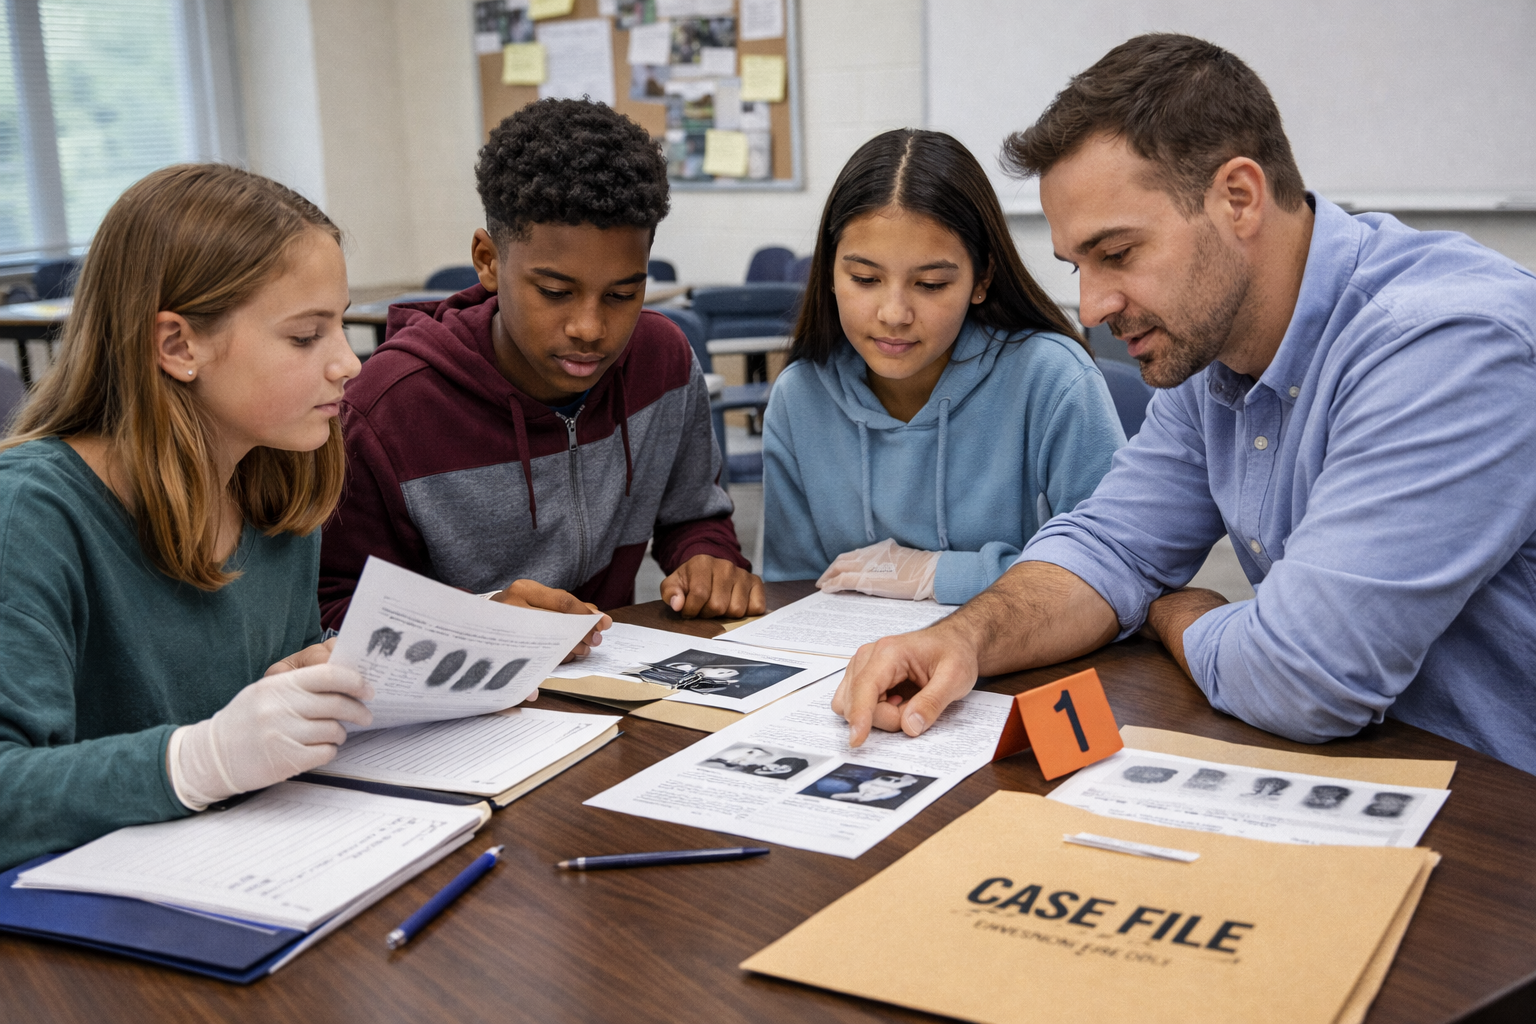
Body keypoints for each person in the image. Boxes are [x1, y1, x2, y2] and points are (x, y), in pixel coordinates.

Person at [833, 34, 1536, 775]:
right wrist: (963, 641)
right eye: (1077, 265)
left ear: (1238, 198)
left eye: (1119, 254)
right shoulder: (1210, 350)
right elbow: (1111, 548)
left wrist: (1178, 611)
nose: (1092, 307)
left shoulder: (1445, 346)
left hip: (1500, 813)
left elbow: (1305, 680)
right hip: (1372, 778)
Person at [0, 165, 372, 870]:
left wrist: (295, 691)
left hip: (248, 871)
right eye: (305, 337)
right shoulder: (28, 515)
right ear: (177, 346)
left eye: (342, 326)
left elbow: (247, 726)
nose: (348, 363)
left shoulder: (278, 484)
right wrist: (200, 758)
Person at [319, 99, 764, 625]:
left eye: (623, 295)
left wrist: (706, 559)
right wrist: (478, 620)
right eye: (555, 292)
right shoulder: (386, 410)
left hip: (606, 677)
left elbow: (692, 516)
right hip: (455, 700)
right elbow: (330, 607)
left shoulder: (663, 363)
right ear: (488, 260)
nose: (589, 328)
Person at [761, 129, 1124, 605]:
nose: (894, 313)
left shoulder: (1052, 379)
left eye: (930, 284)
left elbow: (1115, 567)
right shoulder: (800, 396)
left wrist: (943, 574)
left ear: (982, 278)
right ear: (830, 272)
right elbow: (793, 588)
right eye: (865, 279)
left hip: (1023, 663)